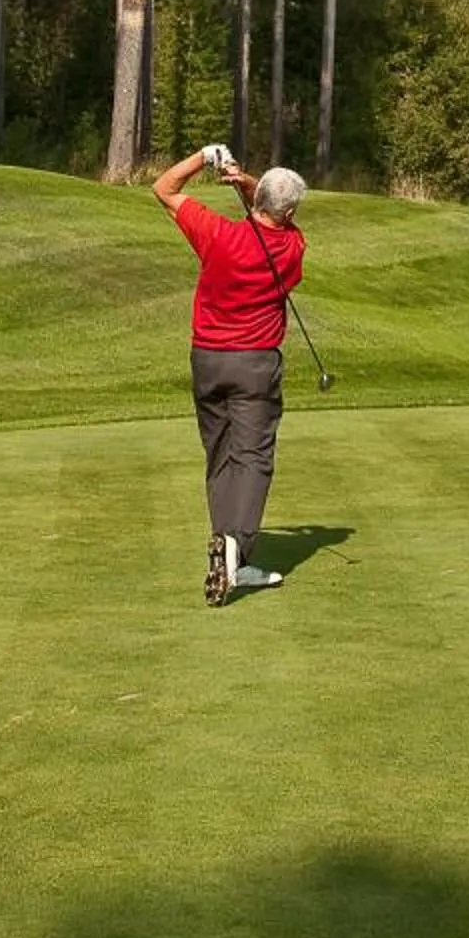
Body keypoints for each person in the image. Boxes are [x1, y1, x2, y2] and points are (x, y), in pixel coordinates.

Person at [151, 143, 308, 605]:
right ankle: (236, 545)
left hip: (208, 360)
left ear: (256, 201)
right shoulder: (293, 245)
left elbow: (163, 188)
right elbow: (274, 215)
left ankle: (228, 555)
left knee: (220, 455)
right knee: (254, 457)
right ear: (290, 210)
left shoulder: (215, 233)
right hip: (256, 363)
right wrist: (249, 185)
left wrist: (205, 157)